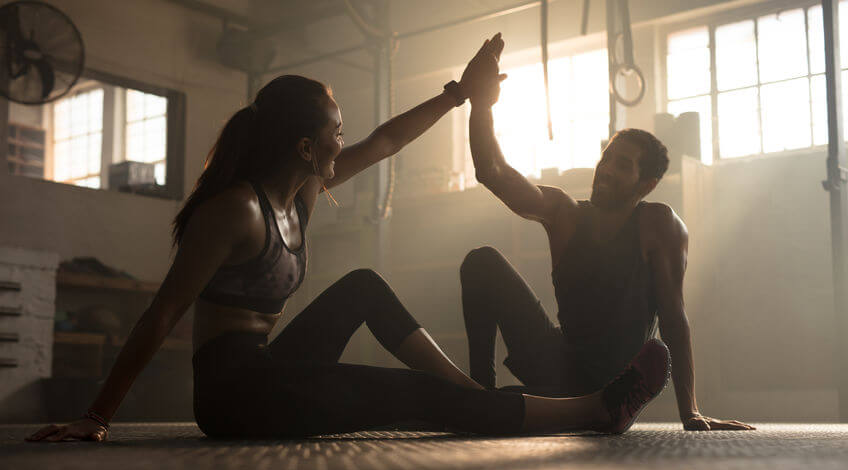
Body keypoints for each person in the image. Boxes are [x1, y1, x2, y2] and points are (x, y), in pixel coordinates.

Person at [27, 35, 670, 442]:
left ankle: (472, 399)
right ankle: (593, 409)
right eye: (335, 130)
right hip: (235, 398)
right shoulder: (236, 211)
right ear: (306, 148)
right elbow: (165, 310)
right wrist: (98, 414)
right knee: (412, 399)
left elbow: (385, 142)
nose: (344, 139)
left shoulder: (300, 193)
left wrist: (460, 95)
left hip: (271, 367)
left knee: (363, 287)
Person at [460, 34, 752, 432]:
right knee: (481, 262)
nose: (608, 169)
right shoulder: (564, 214)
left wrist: (691, 413)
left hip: (613, 386)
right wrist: (481, 103)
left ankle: (575, 408)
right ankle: (480, 399)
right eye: (607, 158)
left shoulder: (657, 224)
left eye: (624, 165)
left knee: (659, 351)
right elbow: (490, 172)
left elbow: (673, 316)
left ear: (645, 185)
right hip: (558, 365)